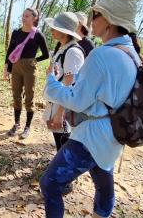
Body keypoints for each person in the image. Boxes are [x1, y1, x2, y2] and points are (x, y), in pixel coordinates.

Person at [39, 0, 142, 218]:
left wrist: (50, 81)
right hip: (114, 133)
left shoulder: (103, 55)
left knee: (50, 183)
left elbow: (76, 99)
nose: (91, 20)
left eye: (95, 14)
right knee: (103, 182)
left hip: (92, 136)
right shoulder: (131, 54)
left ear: (108, 20)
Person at [42, 12, 85, 195]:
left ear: (64, 31)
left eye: (55, 28)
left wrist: (60, 112)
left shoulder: (73, 52)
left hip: (64, 106)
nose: (51, 30)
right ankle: (60, 174)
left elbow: (69, 85)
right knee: (59, 140)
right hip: (55, 102)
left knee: (65, 142)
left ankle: (66, 181)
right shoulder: (63, 48)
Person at [4, 8, 49, 139]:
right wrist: (7, 67)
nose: (24, 18)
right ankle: (16, 123)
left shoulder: (38, 34)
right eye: (23, 15)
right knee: (16, 96)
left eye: (27, 16)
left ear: (34, 18)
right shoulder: (16, 33)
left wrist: (35, 60)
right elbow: (10, 51)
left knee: (29, 97)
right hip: (16, 67)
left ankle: (27, 127)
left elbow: (46, 54)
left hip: (30, 68)